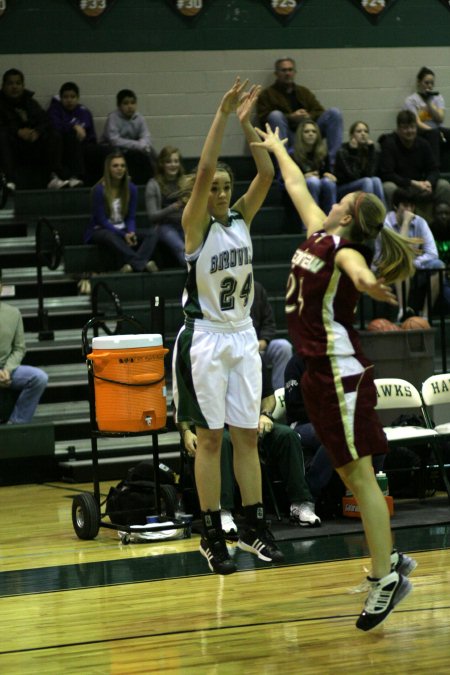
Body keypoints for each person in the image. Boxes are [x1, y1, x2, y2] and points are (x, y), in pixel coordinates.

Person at [253, 123, 418, 631]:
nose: (330, 200)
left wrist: (372, 283)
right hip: (319, 377)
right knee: (352, 474)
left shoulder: (342, 249)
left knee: (360, 475)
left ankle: (386, 577)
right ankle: (389, 563)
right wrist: (279, 148)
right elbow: (299, 185)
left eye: (341, 200)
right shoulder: (319, 235)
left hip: (339, 376)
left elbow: (358, 269)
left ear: (345, 214)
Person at [172, 77, 283, 576]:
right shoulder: (196, 226)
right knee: (210, 440)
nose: (218, 189)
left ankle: (254, 526)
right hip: (206, 339)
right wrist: (220, 117)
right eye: (213, 186)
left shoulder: (241, 218)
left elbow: (266, 173)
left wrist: (247, 126)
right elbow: (202, 170)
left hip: (241, 337)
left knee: (247, 438)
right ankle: (212, 533)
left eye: (223, 185)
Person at [178, 359, 320, 536]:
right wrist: (186, 432)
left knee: (286, 436)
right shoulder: (201, 357)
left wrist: (265, 415)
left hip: (250, 424)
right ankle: (223, 511)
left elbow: (268, 396)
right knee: (225, 441)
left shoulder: (251, 355)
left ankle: (301, 503)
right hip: (213, 428)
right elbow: (180, 403)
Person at [256, 57, 343, 170]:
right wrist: (291, 117)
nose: (288, 73)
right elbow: (263, 118)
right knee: (275, 115)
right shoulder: (267, 94)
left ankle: (333, 165)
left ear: (294, 72)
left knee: (334, 113)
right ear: (276, 73)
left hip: (308, 132)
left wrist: (309, 116)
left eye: (290, 70)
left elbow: (319, 111)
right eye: (284, 70)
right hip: (288, 136)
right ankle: (284, 167)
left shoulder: (303, 92)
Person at [377, 188, 446, 320]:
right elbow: (399, 253)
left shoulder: (420, 222)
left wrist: (414, 262)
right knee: (401, 261)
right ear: (395, 206)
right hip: (387, 271)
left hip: (414, 270)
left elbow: (432, 253)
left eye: (411, 206)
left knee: (439, 265)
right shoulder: (386, 224)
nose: (409, 209)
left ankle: (425, 316)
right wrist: (406, 223)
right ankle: (402, 311)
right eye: (405, 205)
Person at [84, 151, 158, 273]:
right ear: (108, 169)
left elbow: (131, 217)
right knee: (109, 235)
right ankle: (141, 263)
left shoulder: (131, 188)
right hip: (99, 230)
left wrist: (130, 232)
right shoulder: (98, 190)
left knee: (152, 234)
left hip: (122, 228)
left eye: (122, 166)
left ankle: (131, 265)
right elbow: (101, 220)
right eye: (115, 166)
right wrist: (123, 235)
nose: (119, 169)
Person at [0, 68, 66, 190]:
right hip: (12, 147)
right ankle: (9, 180)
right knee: (2, 135)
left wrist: (37, 132)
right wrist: (17, 131)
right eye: (10, 83)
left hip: (32, 145)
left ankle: (54, 177)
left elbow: (45, 121)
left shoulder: (30, 102)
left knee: (53, 134)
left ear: (23, 86)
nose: (14, 87)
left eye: (18, 83)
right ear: (3, 86)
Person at [0, 270, 48, 424]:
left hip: (7, 370)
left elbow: (19, 348)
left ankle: (16, 424)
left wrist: (7, 370)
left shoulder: (13, 313)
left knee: (39, 378)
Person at [378, 109, 450, 210]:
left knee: (444, 185)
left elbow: (434, 169)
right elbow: (387, 174)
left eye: (412, 127)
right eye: (405, 128)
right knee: (388, 187)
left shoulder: (423, 144)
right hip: (401, 186)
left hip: (421, 186)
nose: (410, 131)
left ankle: (441, 223)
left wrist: (429, 182)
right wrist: (412, 183)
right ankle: (392, 222)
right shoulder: (389, 144)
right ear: (398, 129)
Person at [47, 81, 104, 187]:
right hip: (64, 146)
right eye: (65, 97)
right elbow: (55, 127)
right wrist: (72, 127)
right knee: (71, 137)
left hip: (84, 144)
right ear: (61, 98)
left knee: (106, 151)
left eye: (72, 97)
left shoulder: (84, 111)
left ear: (78, 98)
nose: (69, 100)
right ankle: (76, 176)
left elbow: (90, 134)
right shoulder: (55, 110)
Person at [144, 145, 187, 268]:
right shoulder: (153, 184)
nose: (173, 165)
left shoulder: (185, 182)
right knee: (181, 248)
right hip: (164, 226)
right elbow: (152, 216)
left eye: (176, 161)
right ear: (162, 164)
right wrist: (173, 207)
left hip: (184, 224)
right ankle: (196, 274)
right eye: (169, 162)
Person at [101, 88, 155, 184]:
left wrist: (143, 145)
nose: (130, 106)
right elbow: (114, 140)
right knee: (115, 152)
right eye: (126, 103)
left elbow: (146, 137)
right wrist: (137, 145)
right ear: (119, 105)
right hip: (115, 149)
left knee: (150, 150)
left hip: (132, 150)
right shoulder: (113, 118)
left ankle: (153, 179)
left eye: (132, 103)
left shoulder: (139, 118)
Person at [403, 67, 450, 169]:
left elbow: (440, 118)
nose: (429, 86)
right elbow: (417, 123)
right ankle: (435, 168)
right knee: (434, 134)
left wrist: (429, 104)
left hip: (438, 129)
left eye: (432, 83)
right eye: (426, 83)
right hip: (422, 131)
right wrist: (435, 132)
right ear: (419, 82)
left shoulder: (437, 98)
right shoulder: (411, 100)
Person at [251, 280, 292, 390]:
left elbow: (269, 322)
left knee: (283, 347)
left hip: (259, 346)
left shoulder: (256, 288)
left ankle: (280, 395)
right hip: (238, 348)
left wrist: (264, 340)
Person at [293, 118, 337, 215]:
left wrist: (328, 175)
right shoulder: (293, 154)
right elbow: (286, 180)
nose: (311, 134)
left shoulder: (323, 152)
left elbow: (327, 172)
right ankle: (312, 223)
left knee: (329, 183)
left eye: (314, 131)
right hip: (300, 187)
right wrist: (303, 177)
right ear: (301, 135)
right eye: (306, 131)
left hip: (320, 184)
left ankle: (331, 220)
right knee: (313, 182)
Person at [334, 121, 385, 204]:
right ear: (351, 135)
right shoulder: (343, 150)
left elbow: (370, 174)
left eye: (365, 131)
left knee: (376, 180)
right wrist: (353, 152)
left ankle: (383, 215)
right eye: (359, 131)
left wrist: (372, 152)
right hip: (342, 189)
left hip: (362, 185)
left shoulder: (368, 149)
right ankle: (366, 213)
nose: (363, 134)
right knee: (367, 181)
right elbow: (353, 176)